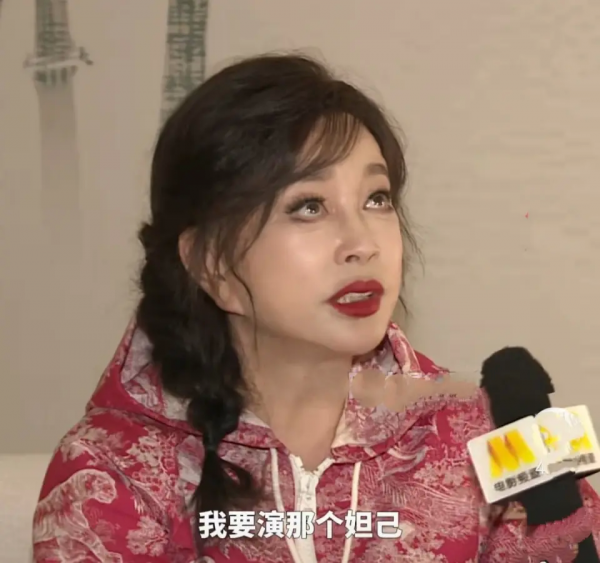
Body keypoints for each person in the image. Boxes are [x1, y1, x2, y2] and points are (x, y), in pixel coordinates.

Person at [32, 53, 600, 563]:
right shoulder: (112, 469)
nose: (363, 243)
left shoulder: (498, 430)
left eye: (376, 198)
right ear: (211, 263)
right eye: (308, 206)